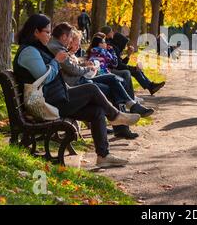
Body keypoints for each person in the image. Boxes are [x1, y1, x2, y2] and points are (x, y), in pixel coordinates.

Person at [14, 14, 140, 168]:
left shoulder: (37, 49)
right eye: (47, 32)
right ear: (35, 32)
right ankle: (115, 116)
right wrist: (56, 61)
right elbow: (44, 77)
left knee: (97, 111)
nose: (49, 35)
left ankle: (103, 155)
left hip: (56, 98)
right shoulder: (29, 52)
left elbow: (51, 78)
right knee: (92, 88)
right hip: (48, 103)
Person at [100, 26, 165, 96]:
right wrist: (133, 68)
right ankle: (149, 87)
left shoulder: (112, 46)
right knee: (133, 71)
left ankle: (151, 86)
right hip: (110, 69)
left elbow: (120, 63)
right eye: (111, 31)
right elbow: (119, 66)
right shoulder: (111, 47)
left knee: (136, 71)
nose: (125, 47)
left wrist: (128, 55)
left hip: (113, 67)